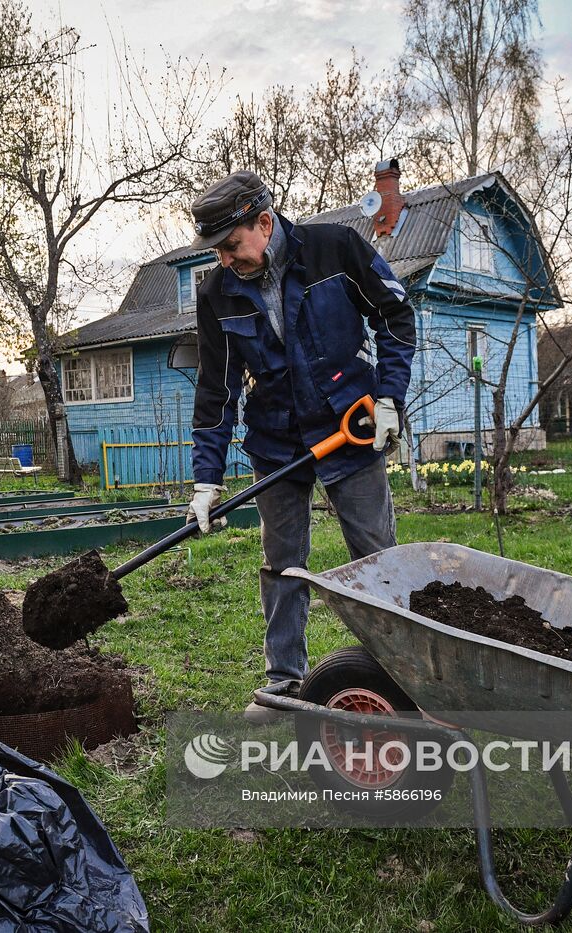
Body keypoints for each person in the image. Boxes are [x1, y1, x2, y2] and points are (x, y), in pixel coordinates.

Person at [185, 170, 416, 722]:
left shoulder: (335, 250)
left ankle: (400, 674)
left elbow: (396, 316)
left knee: (376, 558)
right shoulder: (216, 292)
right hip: (277, 440)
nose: (224, 260)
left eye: (231, 246)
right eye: (215, 251)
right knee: (282, 563)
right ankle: (285, 683)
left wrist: (388, 399)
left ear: (264, 223)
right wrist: (205, 480)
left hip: (350, 426)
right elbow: (216, 390)